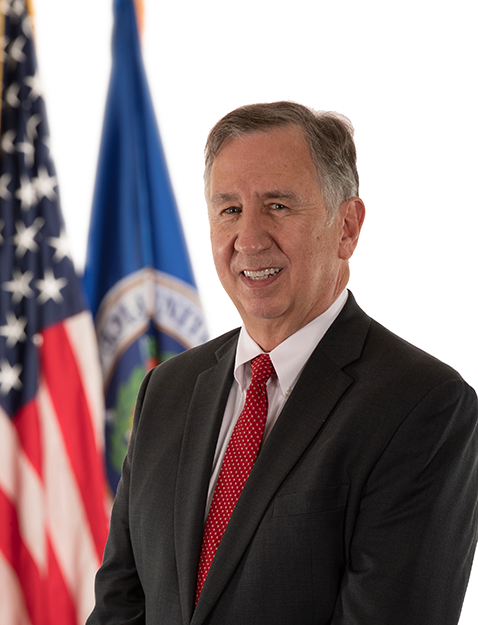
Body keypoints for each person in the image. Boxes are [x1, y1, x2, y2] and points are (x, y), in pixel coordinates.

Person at [86, 102, 478, 625]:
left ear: (347, 227)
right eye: (229, 210)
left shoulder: (424, 406)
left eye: (277, 206)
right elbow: (119, 607)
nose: (248, 239)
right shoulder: (167, 389)